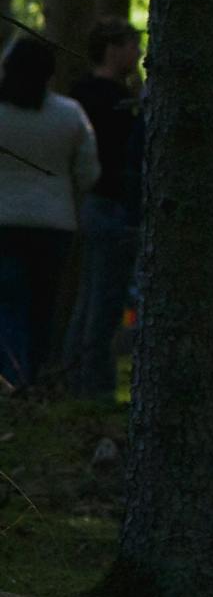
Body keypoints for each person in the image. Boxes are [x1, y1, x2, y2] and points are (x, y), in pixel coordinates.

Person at [0, 37, 100, 391]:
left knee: (8, 305)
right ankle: (38, 377)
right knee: (43, 308)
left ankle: (12, 380)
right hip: (53, 225)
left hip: (4, 224)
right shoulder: (69, 115)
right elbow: (89, 172)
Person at [65, 21, 143, 399]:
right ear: (113, 48)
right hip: (108, 204)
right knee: (104, 302)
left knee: (92, 298)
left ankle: (78, 381)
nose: (139, 55)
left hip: (98, 205)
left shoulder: (84, 94)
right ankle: (93, 388)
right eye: (133, 45)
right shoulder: (101, 98)